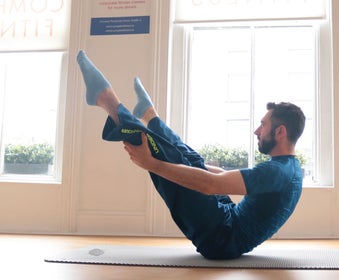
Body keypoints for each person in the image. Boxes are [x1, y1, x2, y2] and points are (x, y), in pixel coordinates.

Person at [77, 50, 306, 260]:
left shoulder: (278, 171)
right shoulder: (286, 167)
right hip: (228, 220)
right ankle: (150, 115)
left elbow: (210, 185)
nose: (257, 131)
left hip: (221, 240)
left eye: (262, 125)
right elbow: (223, 176)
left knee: (174, 163)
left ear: (280, 132)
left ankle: (107, 100)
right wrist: (192, 165)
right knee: (194, 162)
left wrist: (151, 164)